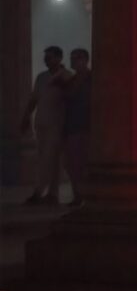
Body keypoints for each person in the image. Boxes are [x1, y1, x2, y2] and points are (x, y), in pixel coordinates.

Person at [21, 46, 73, 205]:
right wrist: (26, 116)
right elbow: (34, 99)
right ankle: (53, 194)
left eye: (49, 57)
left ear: (59, 58)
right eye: (45, 58)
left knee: (47, 159)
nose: (46, 60)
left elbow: (71, 97)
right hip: (41, 122)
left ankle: (38, 191)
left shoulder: (66, 76)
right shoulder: (41, 77)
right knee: (51, 160)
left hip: (57, 124)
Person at [63, 48, 92, 207]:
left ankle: (86, 196)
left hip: (88, 127)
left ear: (85, 60)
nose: (73, 61)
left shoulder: (92, 78)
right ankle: (78, 195)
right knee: (72, 164)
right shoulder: (72, 80)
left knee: (86, 164)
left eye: (76, 58)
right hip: (72, 126)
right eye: (72, 58)